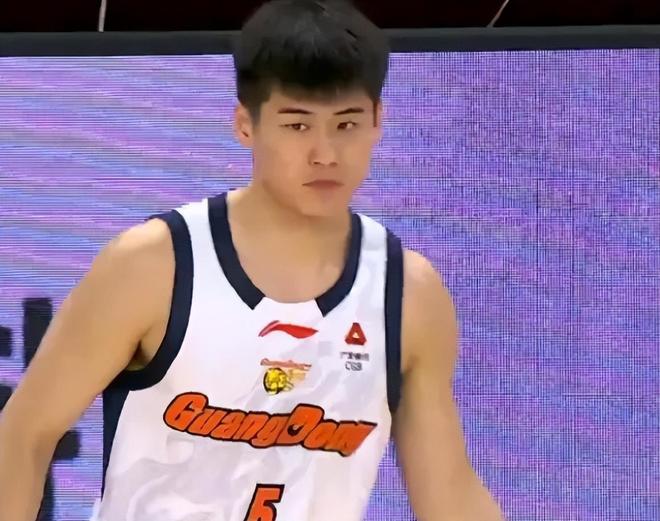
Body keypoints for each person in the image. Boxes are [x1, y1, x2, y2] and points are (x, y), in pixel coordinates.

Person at [0, 0, 505, 520]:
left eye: (346, 124)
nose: (326, 154)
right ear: (246, 124)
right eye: (297, 125)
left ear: (378, 121)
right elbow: (24, 434)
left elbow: (448, 493)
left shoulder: (408, 293)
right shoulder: (153, 265)